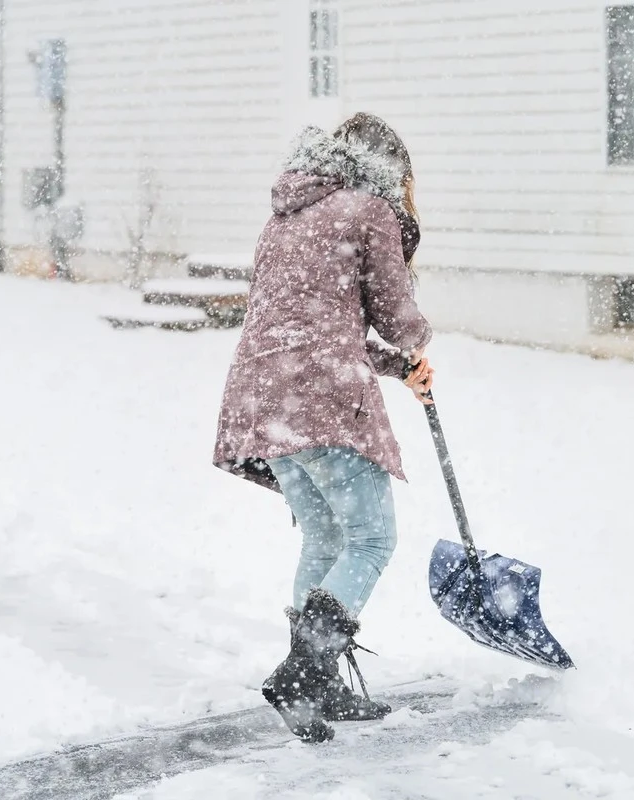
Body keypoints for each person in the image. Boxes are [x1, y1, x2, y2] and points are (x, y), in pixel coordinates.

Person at [212, 113, 435, 743]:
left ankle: (321, 683)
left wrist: (398, 368)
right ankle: (304, 673)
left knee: (324, 537)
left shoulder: (286, 213)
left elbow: (311, 321)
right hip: (322, 397)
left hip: (265, 399)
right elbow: (394, 317)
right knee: (372, 539)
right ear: (388, 168)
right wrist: (416, 343)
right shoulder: (368, 209)